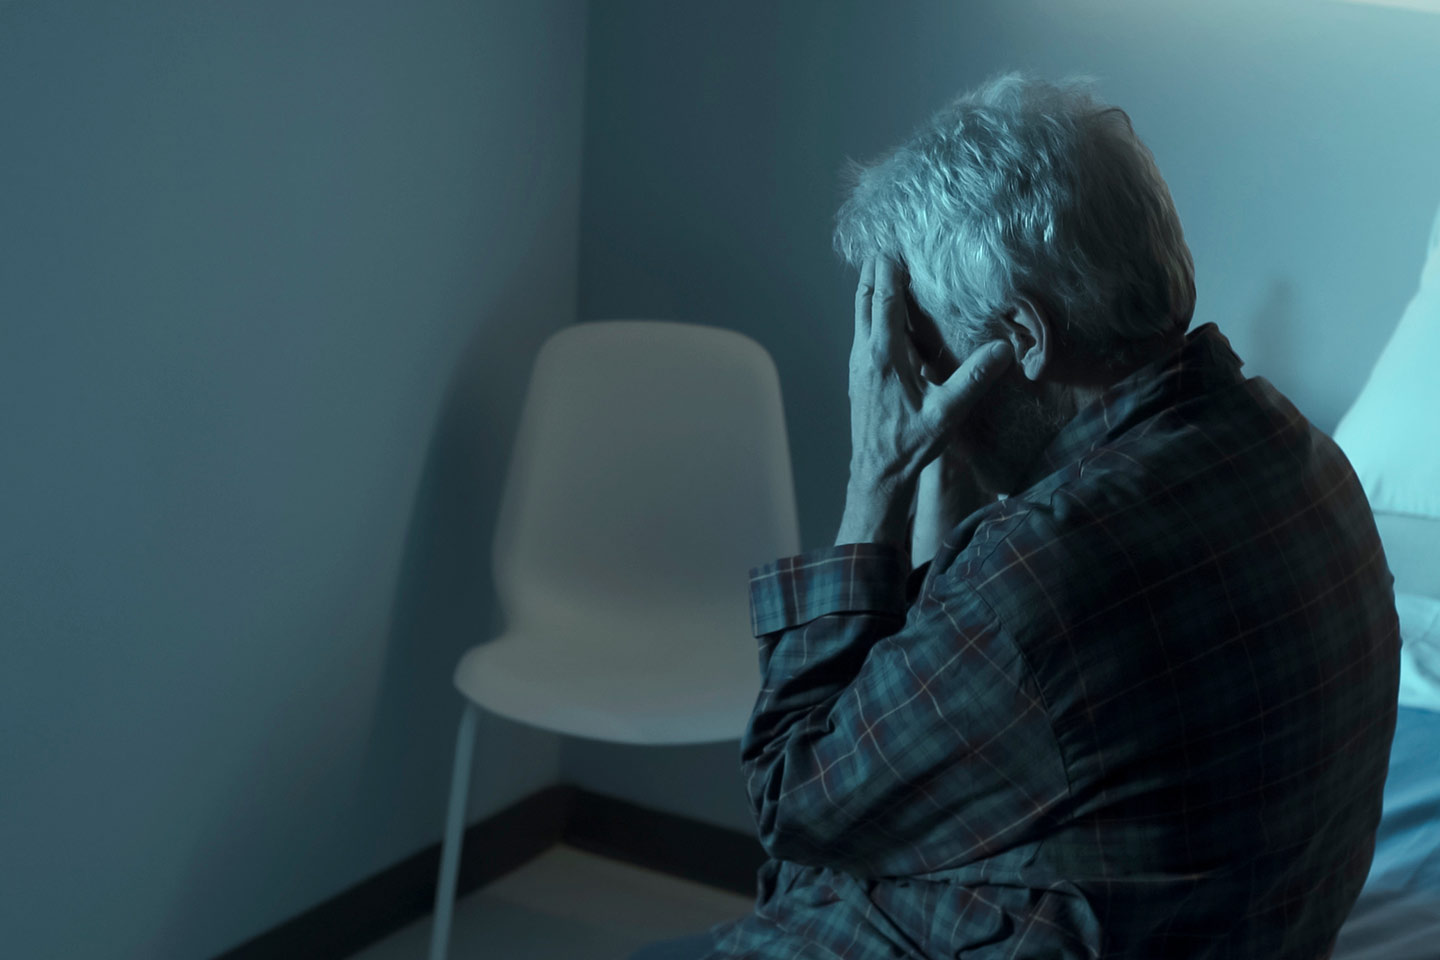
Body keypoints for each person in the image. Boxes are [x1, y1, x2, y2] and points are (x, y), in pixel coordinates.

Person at [634, 71, 1400, 959]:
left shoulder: (1043, 576)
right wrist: (955, 454)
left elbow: (798, 797)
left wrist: (876, 477)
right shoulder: (1297, 454)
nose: (914, 378)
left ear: (1025, 340)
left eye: (925, 347)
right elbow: (929, 671)